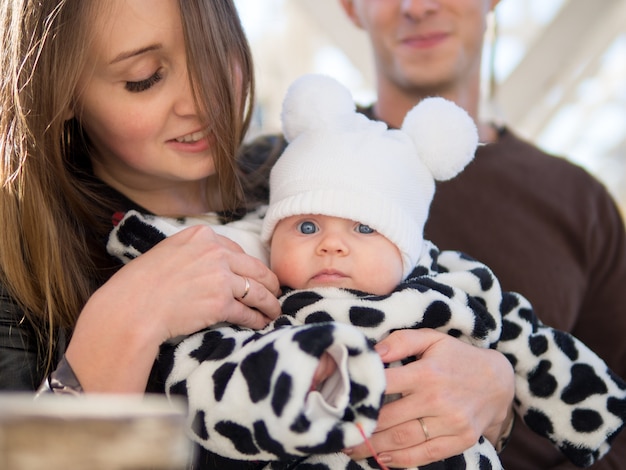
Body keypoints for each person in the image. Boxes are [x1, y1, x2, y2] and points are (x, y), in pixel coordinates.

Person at [0, 1, 514, 469]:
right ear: (59, 91)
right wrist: (126, 322)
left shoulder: (316, 168)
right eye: (145, 78)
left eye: (217, 53)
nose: (204, 99)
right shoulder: (20, 275)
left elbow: (447, 299)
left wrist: (494, 389)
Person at [107, 74, 626, 470]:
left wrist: (560, 402)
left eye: (363, 229)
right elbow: (201, 382)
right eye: (307, 226)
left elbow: (531, 344)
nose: (332, 244)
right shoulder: (254, 302)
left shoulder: (453, 285)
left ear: (405, 247)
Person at [239, 1, 626, 468]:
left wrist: (501, 395)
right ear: (349, 6)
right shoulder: (273, 169)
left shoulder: (578, 200)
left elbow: (616, 430)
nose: (417, 6)